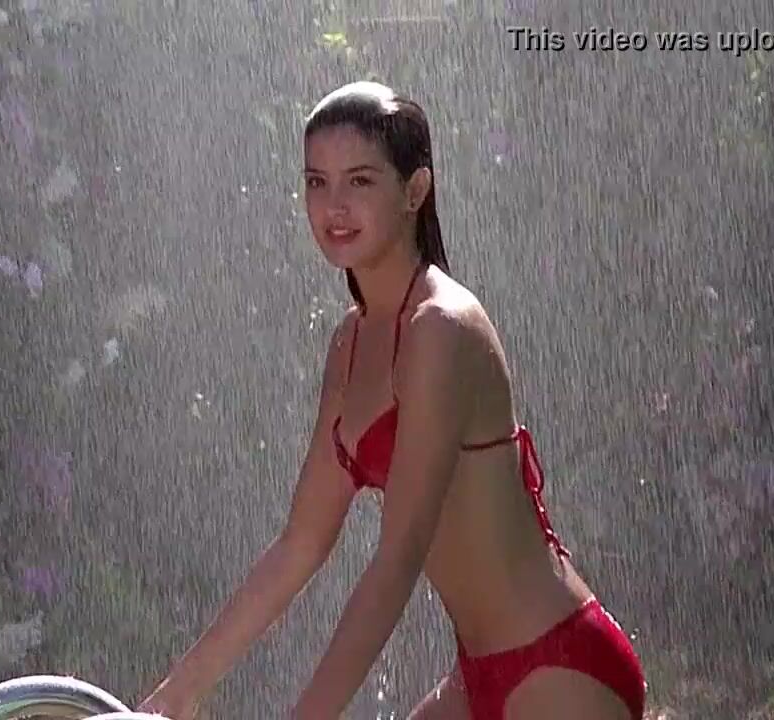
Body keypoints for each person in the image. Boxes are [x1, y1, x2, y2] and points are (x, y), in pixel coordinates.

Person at [137, 81, 646, 720]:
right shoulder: (349, 343)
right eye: (317, 182)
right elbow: (300, 544)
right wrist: (172, 699)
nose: (334, 206)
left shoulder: (442, 328)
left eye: (360, 181)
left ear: (414, 190)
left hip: (562, 668)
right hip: (476, 677)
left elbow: (397, 559)